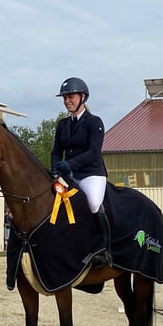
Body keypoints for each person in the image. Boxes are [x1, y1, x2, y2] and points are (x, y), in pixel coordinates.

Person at [50, 76, 112, 267]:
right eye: (65, 98)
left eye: (71, 97)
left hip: (92, 173)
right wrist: (55, 171)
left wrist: (70, 165)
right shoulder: (62, 124)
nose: (67, 101)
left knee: (93, 203)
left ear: (83, 97)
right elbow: (55, 152)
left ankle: (105, 249)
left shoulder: (94, 122)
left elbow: (94, 153)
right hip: (69, 175)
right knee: (50, 201)